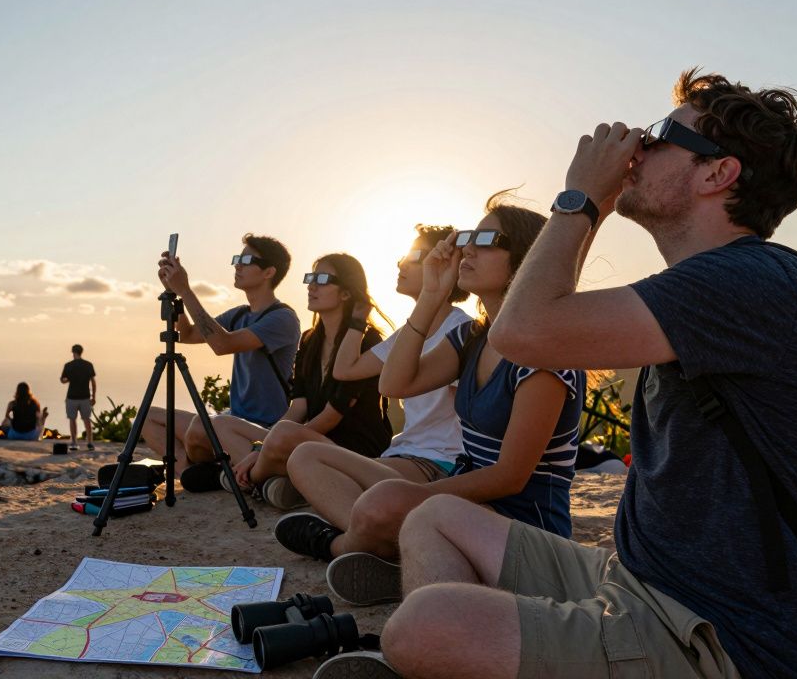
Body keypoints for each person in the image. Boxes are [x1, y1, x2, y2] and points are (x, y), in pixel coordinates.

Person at [375, 69, 797, 679]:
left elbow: (523, 335)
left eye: (660, 137)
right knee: (431, 518)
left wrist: (581, 198)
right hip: (637, 581)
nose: (637, 148)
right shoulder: (706, 288)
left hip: (721, 640)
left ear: (717, 173)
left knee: (425, 625)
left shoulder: (750, 282)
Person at [276, 195, 584, 612]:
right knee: (308, 453)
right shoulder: (473, 338)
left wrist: (419, 500)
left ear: (526, 258)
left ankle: (339, 544)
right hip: (464, 504)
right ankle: (388, 550)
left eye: (488, 238)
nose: (468, 248)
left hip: (523, 527)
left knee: (385, 503)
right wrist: (431, 296)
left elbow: (510, 477)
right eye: (469, 237)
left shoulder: (543, 355)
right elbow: (395, 383)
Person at [273, 224, 471, 522]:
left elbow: (469, 416)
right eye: (402, 257)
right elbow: (346, 370)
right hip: (401, 454)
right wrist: (357, 321)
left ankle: (360, 534)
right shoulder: (409, 332)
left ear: (446, 264)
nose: (402, 263)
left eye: (415, 255)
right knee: (305, 460)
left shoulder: (459, 330)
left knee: (307, 457)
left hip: (438, 462)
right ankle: (362, 528)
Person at [226, 253, 394, 507]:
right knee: (224, 423)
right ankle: (280, 480)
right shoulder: (309, 340)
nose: (312, 285)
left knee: (280, 435)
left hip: (355, 448)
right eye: (311, 278)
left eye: (323, 279)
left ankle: (253, 478)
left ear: (346, 293)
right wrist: (265, 444)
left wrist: (262, 451)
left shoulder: (366, 340)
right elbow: (299, 407)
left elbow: (332, 416)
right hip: (310, 440)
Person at [143, 234, 301, 489]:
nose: (237, 265)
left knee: (203, 427)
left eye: (246, 259)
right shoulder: (240, 314)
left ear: (269, 272)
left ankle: (216, 471)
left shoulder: (282, 318)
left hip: (260, 428)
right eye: (237, 259)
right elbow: (188, 334)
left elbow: (222, 344)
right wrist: (175, 293)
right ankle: (191, 475)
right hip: (230, 419)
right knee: (148, 417)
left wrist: (186, 289)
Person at [60, 344, 96, 451]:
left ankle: (74, 442)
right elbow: (93, 382)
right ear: (81, 352)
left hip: (72, 397)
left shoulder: (68, 365)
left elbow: (63, 380)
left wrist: (69, 379)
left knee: (72, 420)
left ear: (73, 352)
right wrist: (93, 396)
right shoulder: (88, 365)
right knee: (87, 420)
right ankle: (90, 442)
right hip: (85, 396)